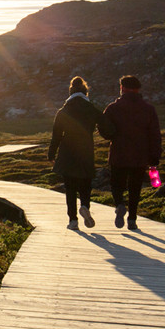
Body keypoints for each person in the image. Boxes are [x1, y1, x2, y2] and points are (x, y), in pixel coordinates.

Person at [49, 76, 112, 230]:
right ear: (85, 92)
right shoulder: (92, 109)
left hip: (67, 153)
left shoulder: (63, 111)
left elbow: (56, 136)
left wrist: (51, 154)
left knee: (70, 188)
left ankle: (73, 220)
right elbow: (105, 126)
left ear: (70, 92)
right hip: (86, 151)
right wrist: (112, 137)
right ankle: (84, 206)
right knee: (85, 184)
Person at [100, 75, 162, 231]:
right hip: (140, 156)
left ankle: (120, 204)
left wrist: (111, 136)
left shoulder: (113, 108)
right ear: (138, 89)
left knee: (116, 184)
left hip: (119, 154)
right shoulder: (148, 109)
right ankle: (132, 219)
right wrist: (154, 156)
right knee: (135, 188)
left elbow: (103, 128)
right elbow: (155, 134)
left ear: (122, 88)